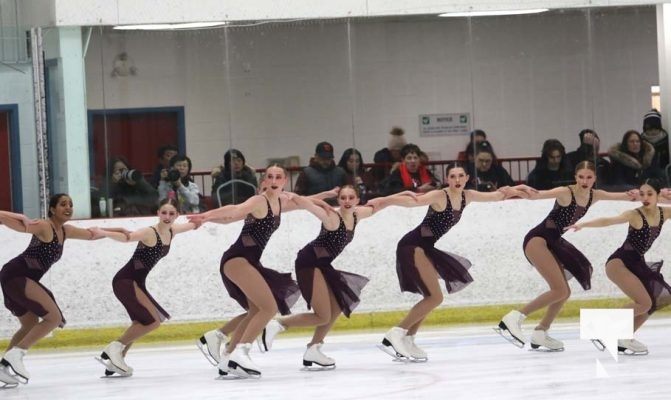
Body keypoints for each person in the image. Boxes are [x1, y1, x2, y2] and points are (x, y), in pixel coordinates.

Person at [254, 186, 415, 369]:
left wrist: (401, 194)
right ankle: (278, 324)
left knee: (338, 305)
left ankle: (314, 348)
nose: (347, 201)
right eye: (343, 198)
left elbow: (379, 204)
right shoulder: (331, 217)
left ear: (356, 200)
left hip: (323, 265)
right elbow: (306, 204)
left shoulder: (357, 215)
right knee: (322, 316)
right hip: (309, 263)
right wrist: (289, 195)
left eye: (351, 197)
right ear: (338, 201)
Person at [379, 163, 526, 361]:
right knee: (434, 297)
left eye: (460, 176)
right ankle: (397, 333)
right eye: (452, 176)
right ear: (447, 179)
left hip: (426, 248)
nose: (457, 180)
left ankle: (409, 338)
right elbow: (413, 201)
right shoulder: (440, 196)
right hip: (412, 246)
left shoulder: (468, 196)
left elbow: (497, 196)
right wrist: (386, 200)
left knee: (431, 297)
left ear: (466, 178)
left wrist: (515, 189)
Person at [190, 165, 320, 379]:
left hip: (249, 262)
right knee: (268, 308)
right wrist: (205, 216)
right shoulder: (259, 201)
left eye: (278, 177)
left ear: (285, 180)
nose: (274, 180)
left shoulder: (279, 202)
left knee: (255, 311)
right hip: (238, 259)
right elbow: (233, 210)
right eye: (270, 176)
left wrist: (330, 196)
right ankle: (241, 352)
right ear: (264, 180)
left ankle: (227, 358)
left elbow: (302, 201)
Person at [496, 161, 636, 351]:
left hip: (553, 243)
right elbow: (537, 195)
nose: (584, 181)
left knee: (564, 292)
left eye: (588, 177)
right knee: (560, 291)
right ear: (575, 177)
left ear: (594, 178)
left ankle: (541, 332)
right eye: (580, 177)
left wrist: (647, 194)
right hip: (538, 240)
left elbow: (627, 196)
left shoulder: (595, 195)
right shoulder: (565, 192)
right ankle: (514, 318)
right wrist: (512, 190)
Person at [0, 194, 106, 385]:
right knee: (53, 317)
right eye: (63, 204)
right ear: (52, 209)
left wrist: (118, 232)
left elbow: (92, 234)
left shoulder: (65, 231)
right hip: (16, 276)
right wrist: (16, 215)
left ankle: (3, 367)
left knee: (30, 323)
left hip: (21, 278)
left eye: (71, 204)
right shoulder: (43, 226)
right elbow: (4, 220)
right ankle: (17, 354)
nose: (68, 207)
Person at [90, 198, 198, 377]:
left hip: (136, 282)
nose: (167, 216)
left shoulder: (172, 231)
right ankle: (113, 349)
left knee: (140, 322)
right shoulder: (150, 232)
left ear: (177, 215)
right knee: (153, 321)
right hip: (125, 281)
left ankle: (115, 362)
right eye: (164, 212)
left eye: (172, 213)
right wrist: (103, 231)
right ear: (158, 213)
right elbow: (128, 237)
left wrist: (206, 218)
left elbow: (193, 225)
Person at [566, 179, 671, 354]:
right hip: (620, 263)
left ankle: (624, 338)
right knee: (644, 303)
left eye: (650, 194)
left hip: (638, 263)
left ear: (658, 195)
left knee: (654, 301)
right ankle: (600, 325)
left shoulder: (665, 212)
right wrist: (583, 224)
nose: (645, 198)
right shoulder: (634, 214)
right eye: (642, 194)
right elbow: (608, 221)